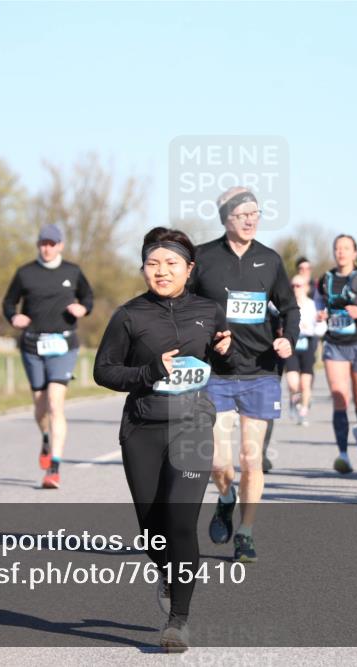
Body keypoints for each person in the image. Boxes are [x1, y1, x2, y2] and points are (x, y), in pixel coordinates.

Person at [94, 227, 231, 652]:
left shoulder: (209, 311)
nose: (162, 270)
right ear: (143, 270)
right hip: (142, 428)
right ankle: (171, 576)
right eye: (153, 263)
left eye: (171, 263)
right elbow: (104, 371)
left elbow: (228, 363)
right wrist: (149, 371)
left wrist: (227, 352)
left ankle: (178, 622)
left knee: (180, 521)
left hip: (192, 424)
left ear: (189, 269)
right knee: (153, 531)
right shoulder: (129, 315)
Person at [190, 187, 299, 563]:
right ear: (226, 219)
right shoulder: (203, 258)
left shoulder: (269, 259)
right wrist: (204, 340)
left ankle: (246, 533)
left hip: (261, 370)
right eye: (243, 214)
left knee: (251, 460)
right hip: (216, 373)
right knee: (219, 462)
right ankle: (225, 497)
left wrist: (288, 339)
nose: (251, 220)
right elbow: (185, 308)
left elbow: (290, 308)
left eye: (256, 213)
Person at [2, 224, 93, 489]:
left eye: (52, 244)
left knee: (55, 402)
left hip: (63, 344)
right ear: (38, 245)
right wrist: (13, 317)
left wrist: (83, 309)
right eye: (43, 243)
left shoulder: (72, 271)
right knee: (40, 406)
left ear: (60, 245)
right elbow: (8, 302)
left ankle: (54, 467)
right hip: (33, 345)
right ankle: (45, 436)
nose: (47, 248)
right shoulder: (25, 273)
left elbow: (88, 297)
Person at [316, 235, 357, 473]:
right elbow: (319, 304)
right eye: (337, 248)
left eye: (346, 248)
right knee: (340, 397)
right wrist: (321, 314)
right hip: (334, 343)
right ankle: (343, 455)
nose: (341, 252)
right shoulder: (325, 279)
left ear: (355, 253)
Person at [285, 274, 323, 426]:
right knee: (293, 383)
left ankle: (303, 411)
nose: (295, 288)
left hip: (308, 343)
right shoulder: (286, 305)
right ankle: (295, 400)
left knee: (305, 383)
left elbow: (321, 328)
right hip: (291, 345)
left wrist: (311, 327)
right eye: (293, 286)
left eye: (299, 285)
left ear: (306, 288)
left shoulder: (313, 305)